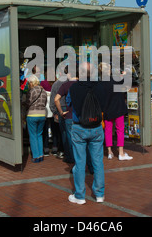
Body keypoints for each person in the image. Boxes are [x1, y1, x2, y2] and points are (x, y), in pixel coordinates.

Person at [67, 62, 108, 205]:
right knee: (98, 162)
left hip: (79, 127)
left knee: (80, 162)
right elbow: (104, 104)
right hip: (96, 127)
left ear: (80, 72)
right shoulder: (100, 86)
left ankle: (79, 196)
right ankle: (99, 194)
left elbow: (68, 103)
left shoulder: (74, 88)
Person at [99, 62, 132, 161]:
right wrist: (126, 73)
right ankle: (121, 153)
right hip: (118, 109)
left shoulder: (100, 84)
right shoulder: (115, 80)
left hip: (107, 110)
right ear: (108, 71)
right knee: (120, 130)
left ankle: (109, 151)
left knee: (108, 131)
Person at [23, 75, 48, 163]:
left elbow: (28, 102)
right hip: (42, 115)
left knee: (33, 135)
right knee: (39, 135)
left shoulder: (31, 91)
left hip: (32, 115)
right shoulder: (43, 91)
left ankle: (36, 156)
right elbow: (45, 103)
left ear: (31, 83)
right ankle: (41, 154)